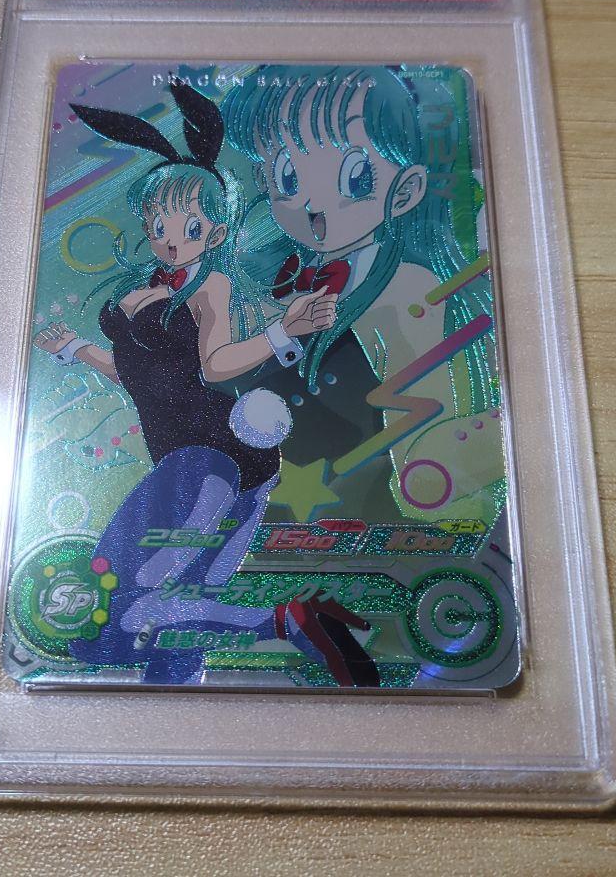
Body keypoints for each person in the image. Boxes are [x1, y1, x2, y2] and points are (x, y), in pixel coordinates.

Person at [34, 81, 380, 686]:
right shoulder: (145, 287)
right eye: (159, 222)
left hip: (207, 459)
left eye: (189, 225)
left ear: (215, 233)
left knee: (117, 605)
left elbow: (215, 366)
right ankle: (263, 651)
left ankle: (286, 622)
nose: (171, 236)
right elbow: (142, 378)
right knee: (177, 633)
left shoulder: (210, 286)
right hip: (227, 464)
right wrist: (78, 350)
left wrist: (283, 331)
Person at [221, 66, 497, 525]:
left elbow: (421, 439)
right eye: (288, 176)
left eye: (356, 177)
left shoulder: (404, 289)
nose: (312, 205)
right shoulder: (278, 276)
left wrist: (460, 456)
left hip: (356, 506)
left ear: (405, 191)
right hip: (264, 488)